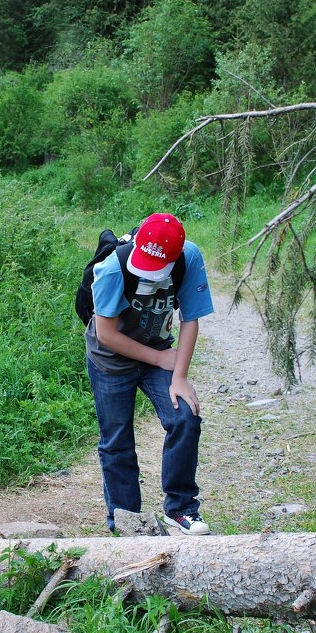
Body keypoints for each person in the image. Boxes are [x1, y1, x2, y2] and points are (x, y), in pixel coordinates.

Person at [85, 213, 214, 535]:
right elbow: (106, 334)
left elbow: (191, 318)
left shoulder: (189, 257)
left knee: (184, 418)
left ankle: (181, 508)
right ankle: (127, 521)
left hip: (157, 350)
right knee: (117, 443)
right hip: (111, 361)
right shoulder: (113, 266)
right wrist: (159, 358)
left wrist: (180, 376)